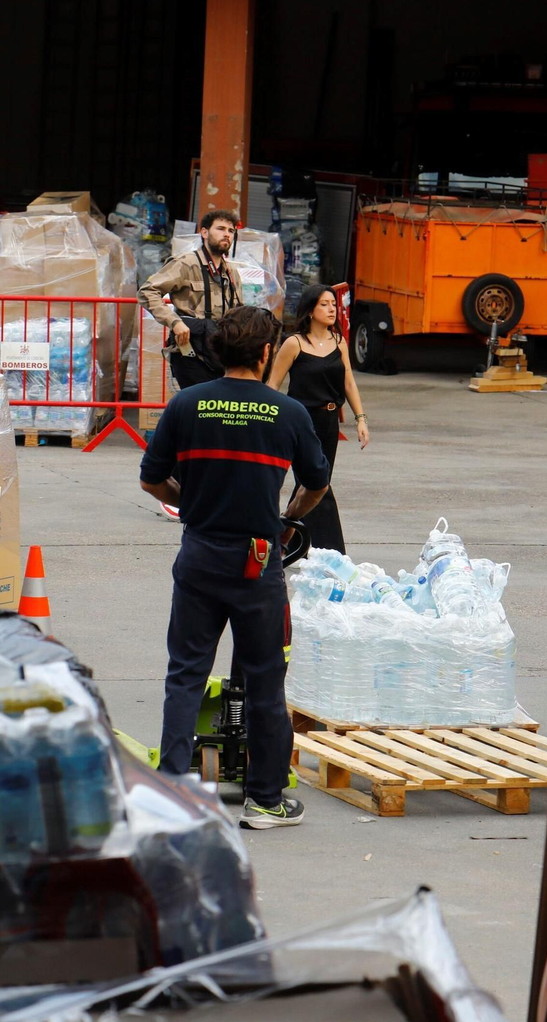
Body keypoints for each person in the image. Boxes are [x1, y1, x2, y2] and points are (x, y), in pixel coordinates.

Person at [139, 305, 331, 830]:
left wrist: (189, 501)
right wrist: (287, 519)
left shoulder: (186, 405)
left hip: (200, 552)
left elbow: (152, 479)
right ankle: (265, 801)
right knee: (265, 682)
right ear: (267, 352)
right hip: (258, 559)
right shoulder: (287, 413)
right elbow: (317, 482)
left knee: (185, 676)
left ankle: (174, 799)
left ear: (217, 352)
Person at [265, 284, 369, 554]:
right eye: (324, 304)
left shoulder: (339, 342)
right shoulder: (294, 343)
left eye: (333, 304)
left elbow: (348, 382)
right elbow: (272, 384)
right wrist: (262, 416)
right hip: (301, 422)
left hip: (329, 422)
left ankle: (282, 540)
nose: (332, 309)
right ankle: (333, 553)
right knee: (318, 485)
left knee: (310, 486)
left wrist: (360, 419)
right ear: (310, 310)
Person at [139, 209, 245, 389]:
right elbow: (147, 291)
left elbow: (239, 311)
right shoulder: (186, 263)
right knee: (199, 407)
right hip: (191, 352)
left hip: (222, 351)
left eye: (231, 231)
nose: (226, 234)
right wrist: (175, 322)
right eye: (220, 229)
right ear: (204, 232)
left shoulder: (231, 272)